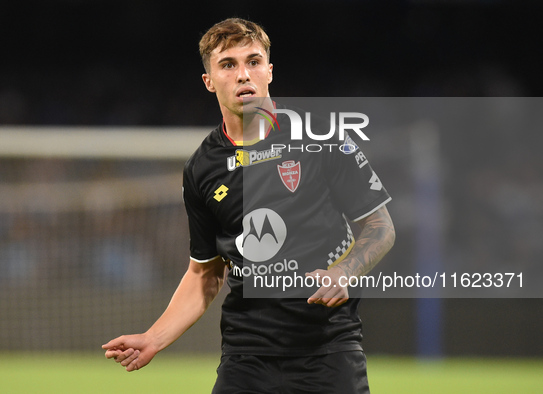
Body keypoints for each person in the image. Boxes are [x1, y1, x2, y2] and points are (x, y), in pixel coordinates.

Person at [103, 18, 395, 393]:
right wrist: (154, 337)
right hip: (246, 357)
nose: (244, 75)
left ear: (269, 72)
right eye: (228, 64)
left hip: (328, 350)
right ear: (209, 81)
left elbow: (380, 226)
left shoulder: (322, 138)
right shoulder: (201, 168)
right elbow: (205, 274)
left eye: (253, 62)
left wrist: (345, 271)